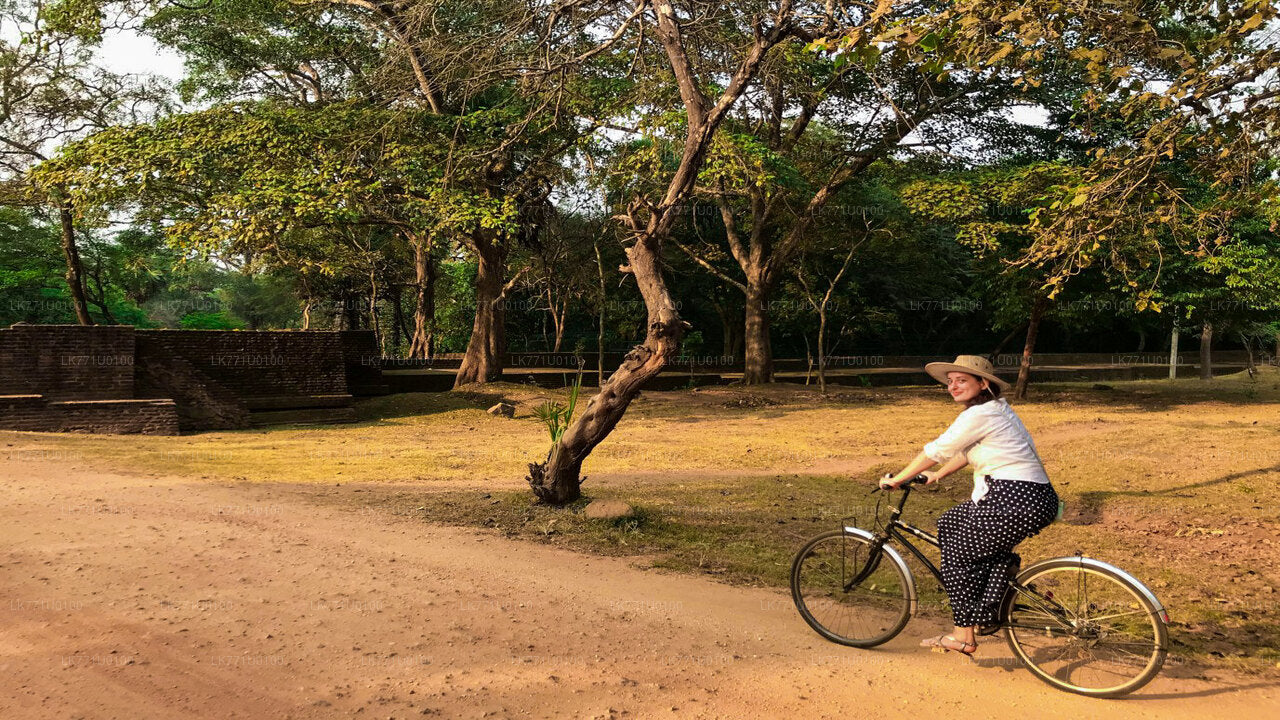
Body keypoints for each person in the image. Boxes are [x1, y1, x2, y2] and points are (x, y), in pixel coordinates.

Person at [878, 355, 1059, 657]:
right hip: (1028, 496)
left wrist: (897, 480)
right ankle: (991, 601)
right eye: (950, 381)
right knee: (950, 523)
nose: (953, 386)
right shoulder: (995, 410)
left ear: (983, 383)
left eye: (961, 380)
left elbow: (935, 451)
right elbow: (966, 452)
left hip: (1013, 498)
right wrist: (937, 476)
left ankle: (964, 636)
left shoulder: (979, 414)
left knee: (958, 558)